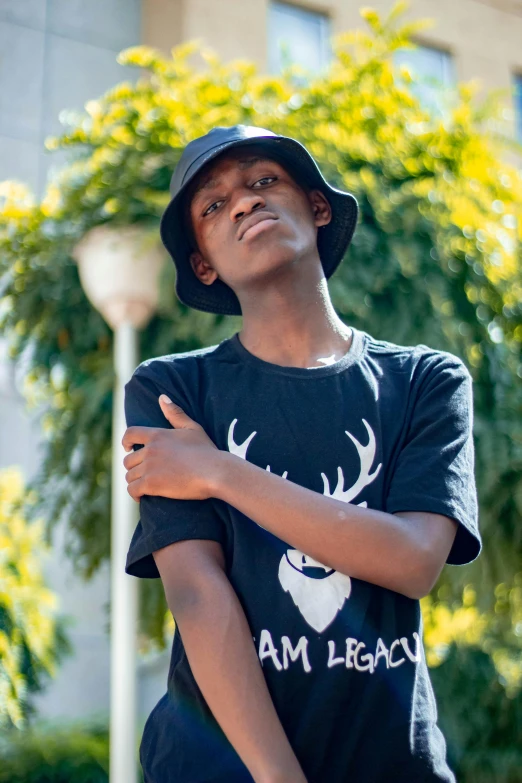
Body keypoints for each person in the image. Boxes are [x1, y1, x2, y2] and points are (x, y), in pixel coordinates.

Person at [121, 124, 481, 783]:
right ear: (202, 261)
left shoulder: (427, 380)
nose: (244, 202)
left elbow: (413, 560)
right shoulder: (171, 391)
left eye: (264, 182)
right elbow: (198, 594)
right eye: (213, 204)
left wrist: (219, 471)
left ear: (317, 208)